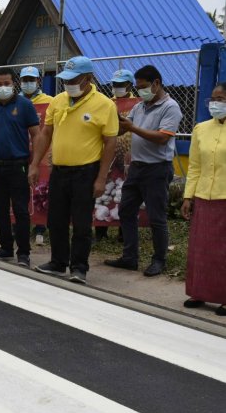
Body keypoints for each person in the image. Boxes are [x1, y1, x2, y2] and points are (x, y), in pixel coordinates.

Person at [28, 55, 118, 284]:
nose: (69, 84)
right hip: (59, 170)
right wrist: (35, 163)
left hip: (85, 172)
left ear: (88, 78)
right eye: (66, 79)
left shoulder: (105, 105)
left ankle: (79, 267)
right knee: (55, 219)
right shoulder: (57, 101)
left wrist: (101, 179)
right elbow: (45, 133)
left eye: (74, 79)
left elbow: (110, 143)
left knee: (81, 223)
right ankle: (58, 262)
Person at [103, 65, 182, 277]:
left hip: (157, 169)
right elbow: (125, 127)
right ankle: (130, 257)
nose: (141, 91)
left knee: (157, 217)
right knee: (126, 210)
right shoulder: (140, 107)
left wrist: (131, 128)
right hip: (136, 167)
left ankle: (159, 260)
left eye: (144, 87)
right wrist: (114, 122)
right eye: (138, 87)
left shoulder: (170, 107)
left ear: (157, 83)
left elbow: (163, 137)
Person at [0, 68, 41, 268]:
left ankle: (23, 253)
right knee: (0, 209)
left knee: (21, 210)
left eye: (6, 83)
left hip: (18, 166)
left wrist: (35, 164)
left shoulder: (25, 105)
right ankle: (5, 248)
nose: (2, 87)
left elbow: (37, 135)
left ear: (14, 84)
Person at [181, 82, 226, 316]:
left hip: (224, 196)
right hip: (203, 197)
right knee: (201, 248)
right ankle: (199, 292)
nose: (216, 103)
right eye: (213, 98)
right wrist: (188, 196)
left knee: (223, 250)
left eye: (221, 98)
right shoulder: (201, 129)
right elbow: (195, 166)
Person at [96, 68, 136, 242]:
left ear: (129, 85)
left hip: (129, 155)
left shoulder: (138, 104)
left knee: (124, 194)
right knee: (104, 191)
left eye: (121, 85)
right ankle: (100, 231)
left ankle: (122, 233)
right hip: (108, 153)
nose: (117, 87)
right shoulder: (107, 103)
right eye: (115, 85)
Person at [20, 66, 53, 245]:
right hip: (19, 150)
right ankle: (20, 225)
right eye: (25, 80)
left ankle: (40, 227)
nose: (28, 83)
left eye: (31, 80)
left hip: (41, 151)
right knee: (20, 189)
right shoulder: (15, 100)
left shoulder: (49, 101)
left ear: (39, 81)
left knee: (40, 188)